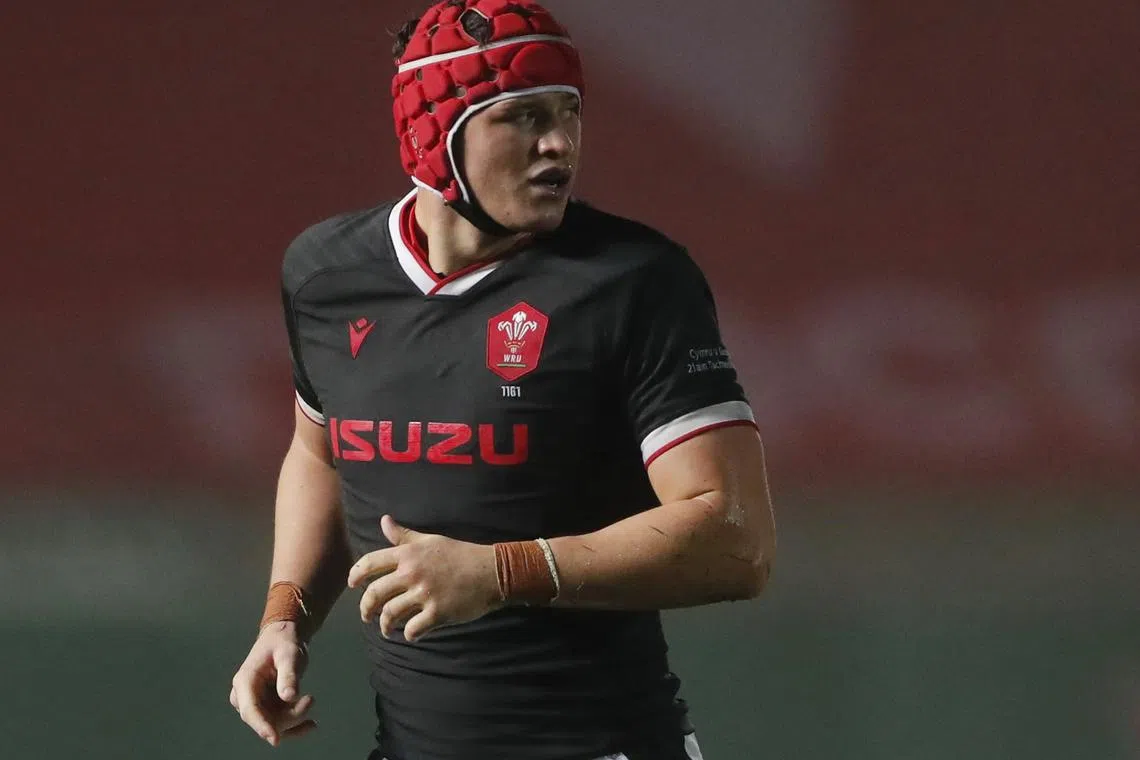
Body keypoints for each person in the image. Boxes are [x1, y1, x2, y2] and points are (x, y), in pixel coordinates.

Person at [228, 1, 777, 758]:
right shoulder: (325, 275)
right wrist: (284, 616)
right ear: (432, 132)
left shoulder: (635, 281)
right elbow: (320, 453)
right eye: (523, 116)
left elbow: (737, 540)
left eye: (569, 112)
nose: (560, 143)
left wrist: (502, 571)